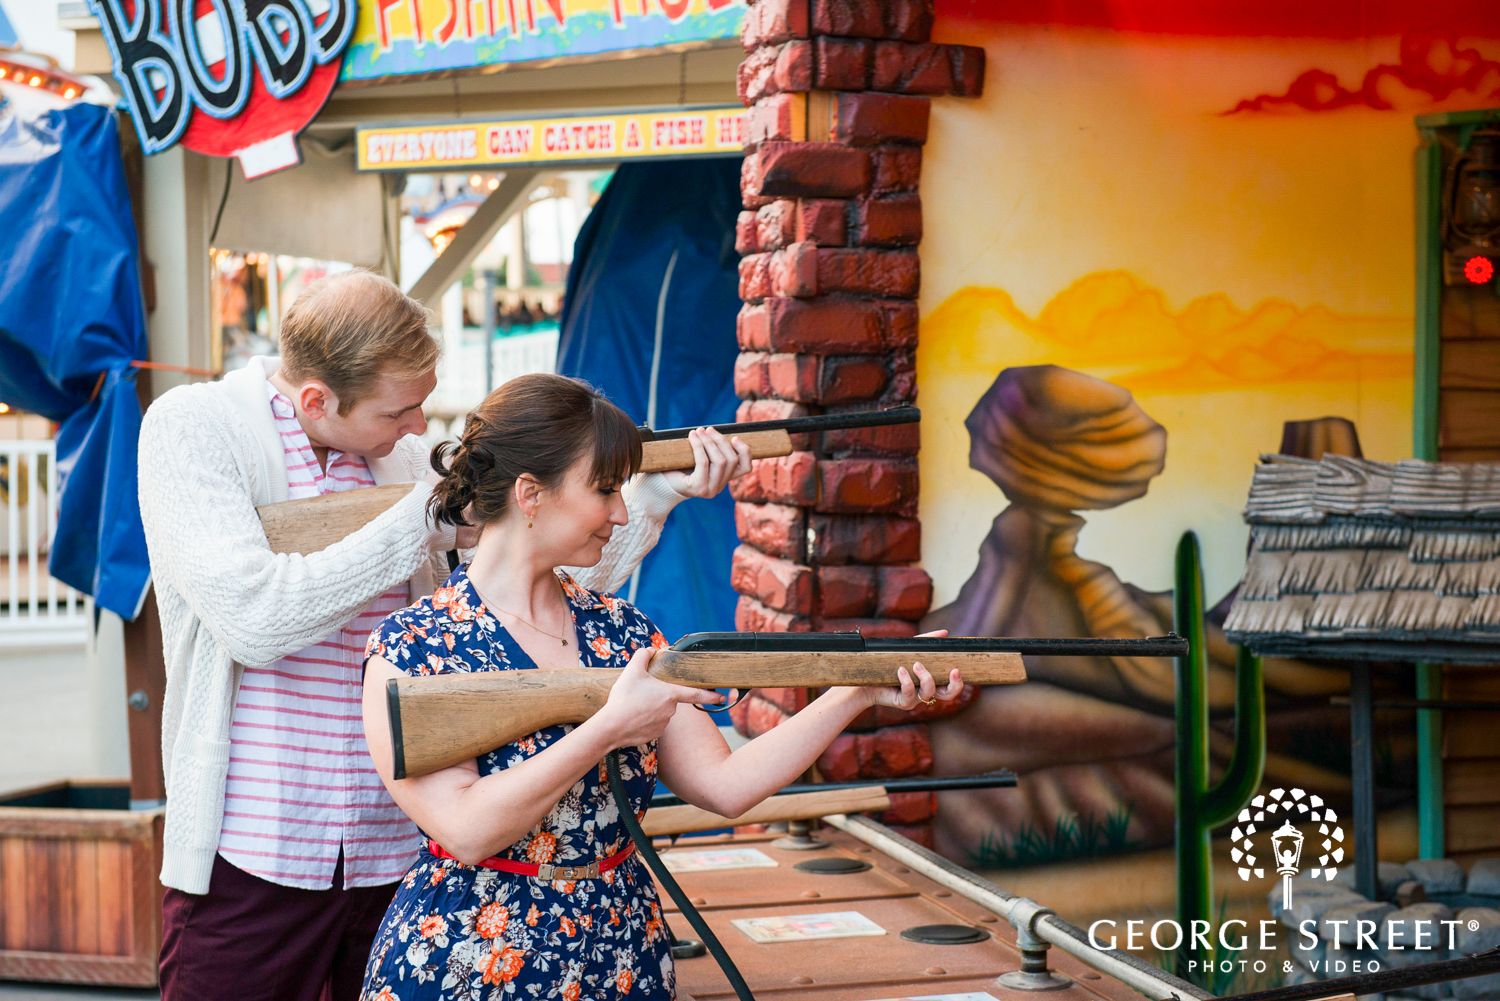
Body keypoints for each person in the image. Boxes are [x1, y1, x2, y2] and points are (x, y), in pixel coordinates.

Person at [136, 271, 750, 1001]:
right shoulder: (194, 428)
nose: (420, 427)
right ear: (316, 401)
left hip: (398, 845)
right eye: (402, 407)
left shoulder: (396, 456)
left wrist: (651, 496)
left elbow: (525, 587)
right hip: (257, 849)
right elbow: (253, 620)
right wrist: (413, 525)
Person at [359, 373, 964, 1000]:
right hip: (469, 960)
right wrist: (609, 729)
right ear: (530, 493)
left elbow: (726, 787)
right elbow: (466, 829)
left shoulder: (621, 630)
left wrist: (858, 691)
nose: (622, 512)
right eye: (604, 490)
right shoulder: (413, 647)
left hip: (623, 951)